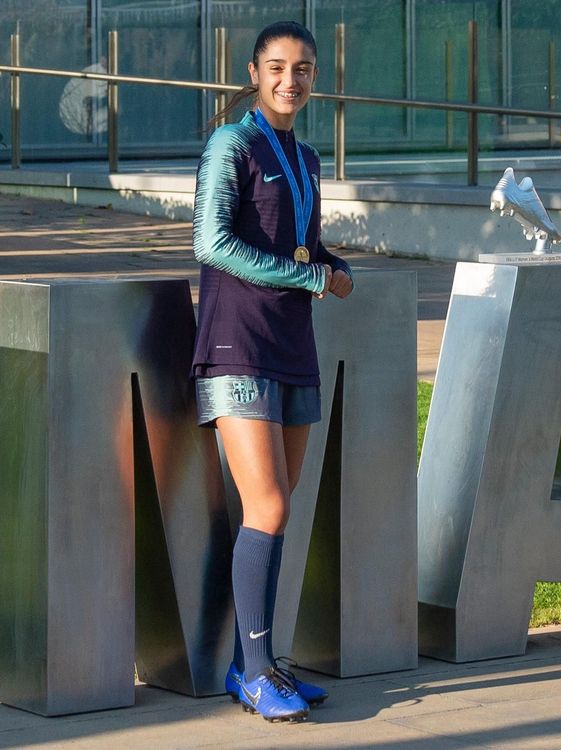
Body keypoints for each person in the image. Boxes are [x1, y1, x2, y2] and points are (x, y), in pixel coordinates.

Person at [192, 20, 353, 722]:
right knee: (271, 506)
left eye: (306, 69)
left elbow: (306, 244)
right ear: (254, 74)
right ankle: (257, 672)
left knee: (277, 513)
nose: (293, 80)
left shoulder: (307, 157)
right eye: (279, 67)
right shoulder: (231, 143)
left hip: (293, 346)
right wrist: (303, 273)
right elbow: (212, 242)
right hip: (236, 345)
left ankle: (252, 663)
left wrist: (333, 269)